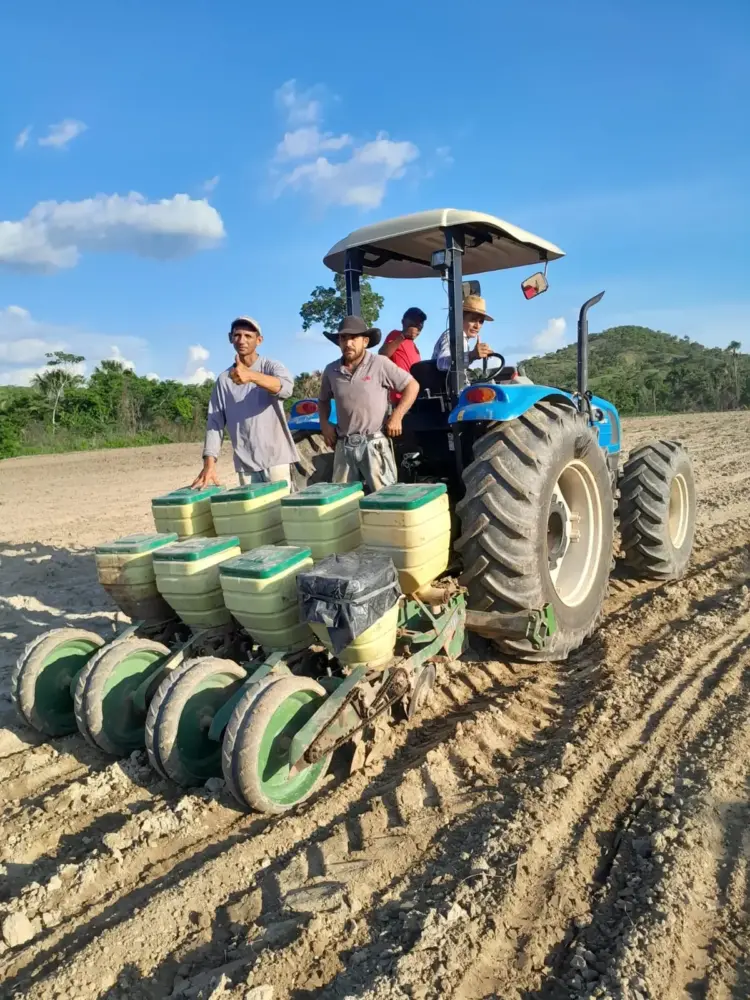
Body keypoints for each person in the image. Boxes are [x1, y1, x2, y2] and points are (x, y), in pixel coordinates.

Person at [192, 316, 299, 488]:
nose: (242, 340)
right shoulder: (224, 380)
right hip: (246, 465)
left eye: (248, 336)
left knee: (283, 512)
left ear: (259, 340)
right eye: (237, 335)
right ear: (230, 338)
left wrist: (251, 376)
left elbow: (286, 388)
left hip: (277, 460)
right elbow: (215, 423)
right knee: (252, 513)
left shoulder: (271, 367)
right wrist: (209, 465)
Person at [319, 315, 419, 492]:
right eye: (343, 338)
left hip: (374, 445)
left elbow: (412, 385)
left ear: (365, 341)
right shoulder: (331, 370)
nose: (348, 343)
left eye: (353, 338)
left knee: (385, 499)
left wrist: (397, 416)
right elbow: (323, 401)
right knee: (341, 501)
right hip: (344, 446)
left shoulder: (379, 364)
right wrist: (325, 425)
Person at [432, 294, 494, 371]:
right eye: (473, 320)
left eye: (481, 322)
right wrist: (471, 355)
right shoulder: (452, 335)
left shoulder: (463, 338)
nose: (477, 326)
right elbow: (442, 363)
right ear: (460, 318)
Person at [379, 307, 426, 402]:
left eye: (419, 327)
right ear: (403, 322)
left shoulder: (414, 347)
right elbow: (383, 354)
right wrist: (403, 335)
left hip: (413, 396)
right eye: (413, 325)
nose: (415, 329)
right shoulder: (396, 335)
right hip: (399, 397)